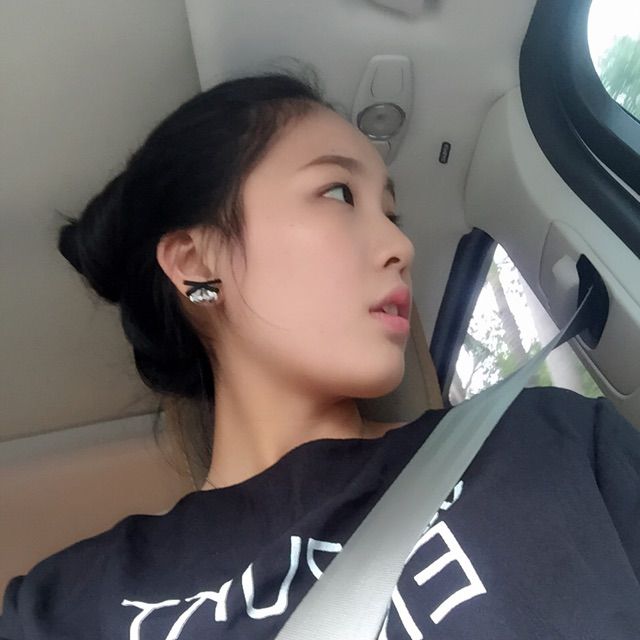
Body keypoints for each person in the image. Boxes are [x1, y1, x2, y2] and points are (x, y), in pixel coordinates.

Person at [1, 69, 639, 640]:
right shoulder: (62, 609)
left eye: (393, 213)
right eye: (338, 194)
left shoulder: (546, 443)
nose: (401, 246)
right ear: (197, 266)